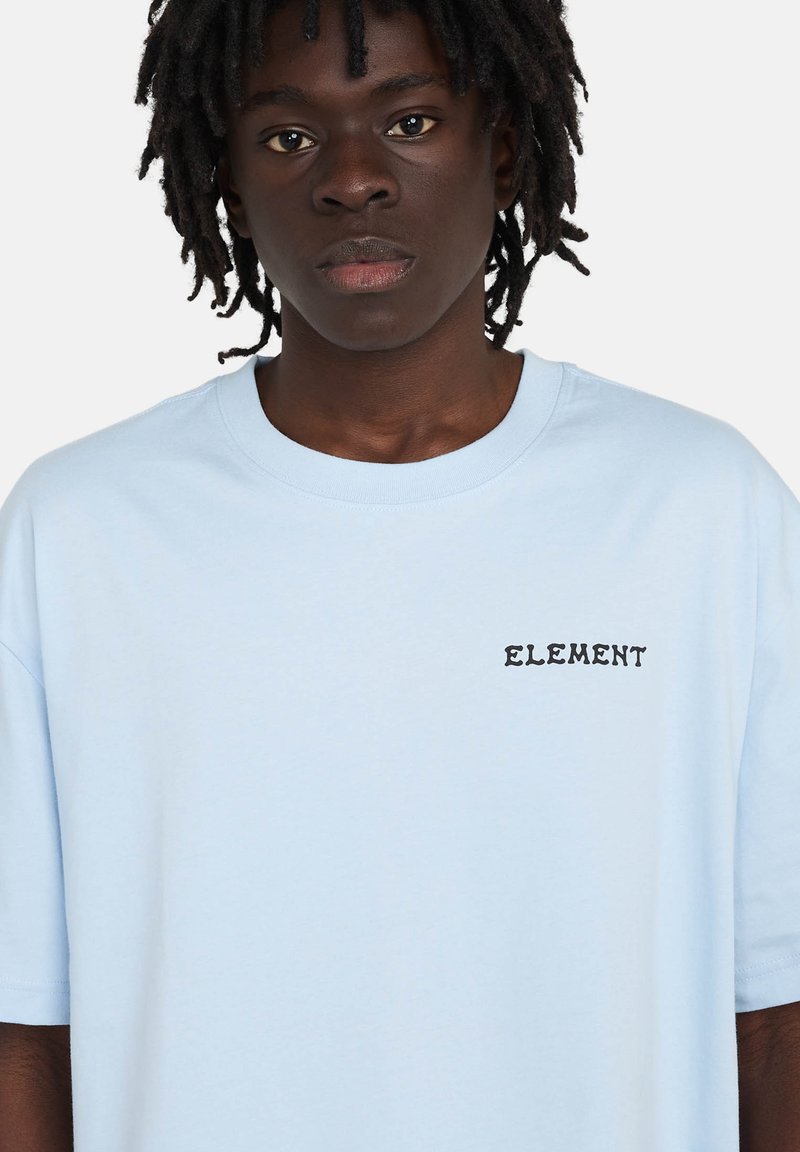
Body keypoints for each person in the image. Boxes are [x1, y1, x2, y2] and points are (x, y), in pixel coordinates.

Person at [1, 0, 798, 1148]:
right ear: (227, 180)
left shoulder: (698, 507)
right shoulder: (81, 529)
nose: (351, 178)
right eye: (287, 135)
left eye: (410, 119)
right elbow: (26, 1028)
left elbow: (773, 1014)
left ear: (503, 146)